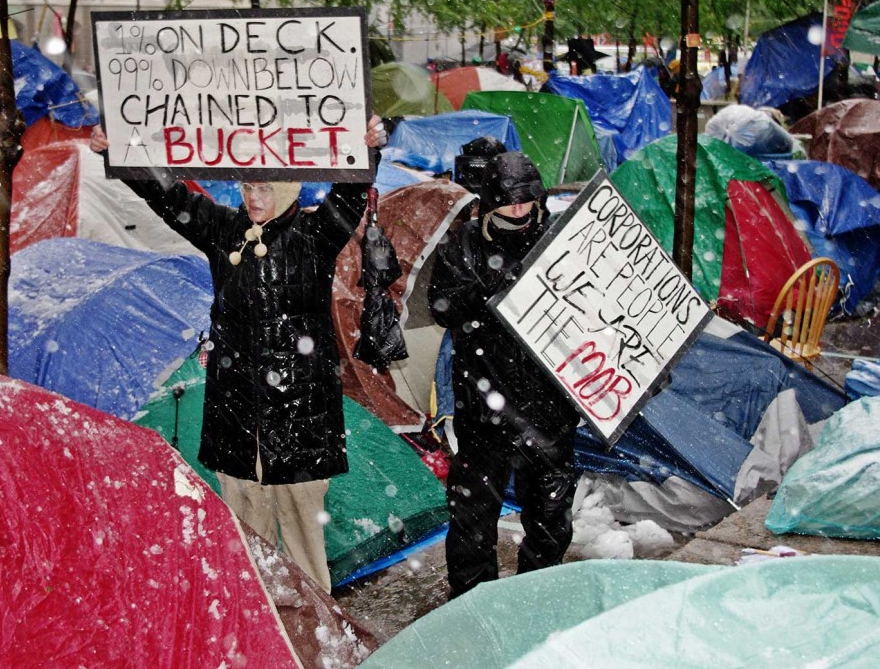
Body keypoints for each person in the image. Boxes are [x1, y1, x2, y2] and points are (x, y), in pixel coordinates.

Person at [89, 118, 387, 591]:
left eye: (265, 189)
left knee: (305, 544)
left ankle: (313, 635)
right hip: (238, 418)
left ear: (288, 190)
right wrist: (123, 155)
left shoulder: (316, 237)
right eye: (248, 187)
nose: (253, 198)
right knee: (248, 545)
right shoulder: (224, 232)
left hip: (301, 420)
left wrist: (367, 151)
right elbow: (171, 199)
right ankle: (257, 626)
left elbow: (350, 193)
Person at [428, 151, 578, 598]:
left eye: (526, 200)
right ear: (489, 200)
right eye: (508, 201)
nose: (518, 210)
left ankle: (535, 604)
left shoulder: (561, 241)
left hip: (549, 409)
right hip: (483, 411)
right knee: (473, 522)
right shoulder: (463, 245)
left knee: (549, 520)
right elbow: (442, 309)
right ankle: (473, 610)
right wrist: (490, 287)